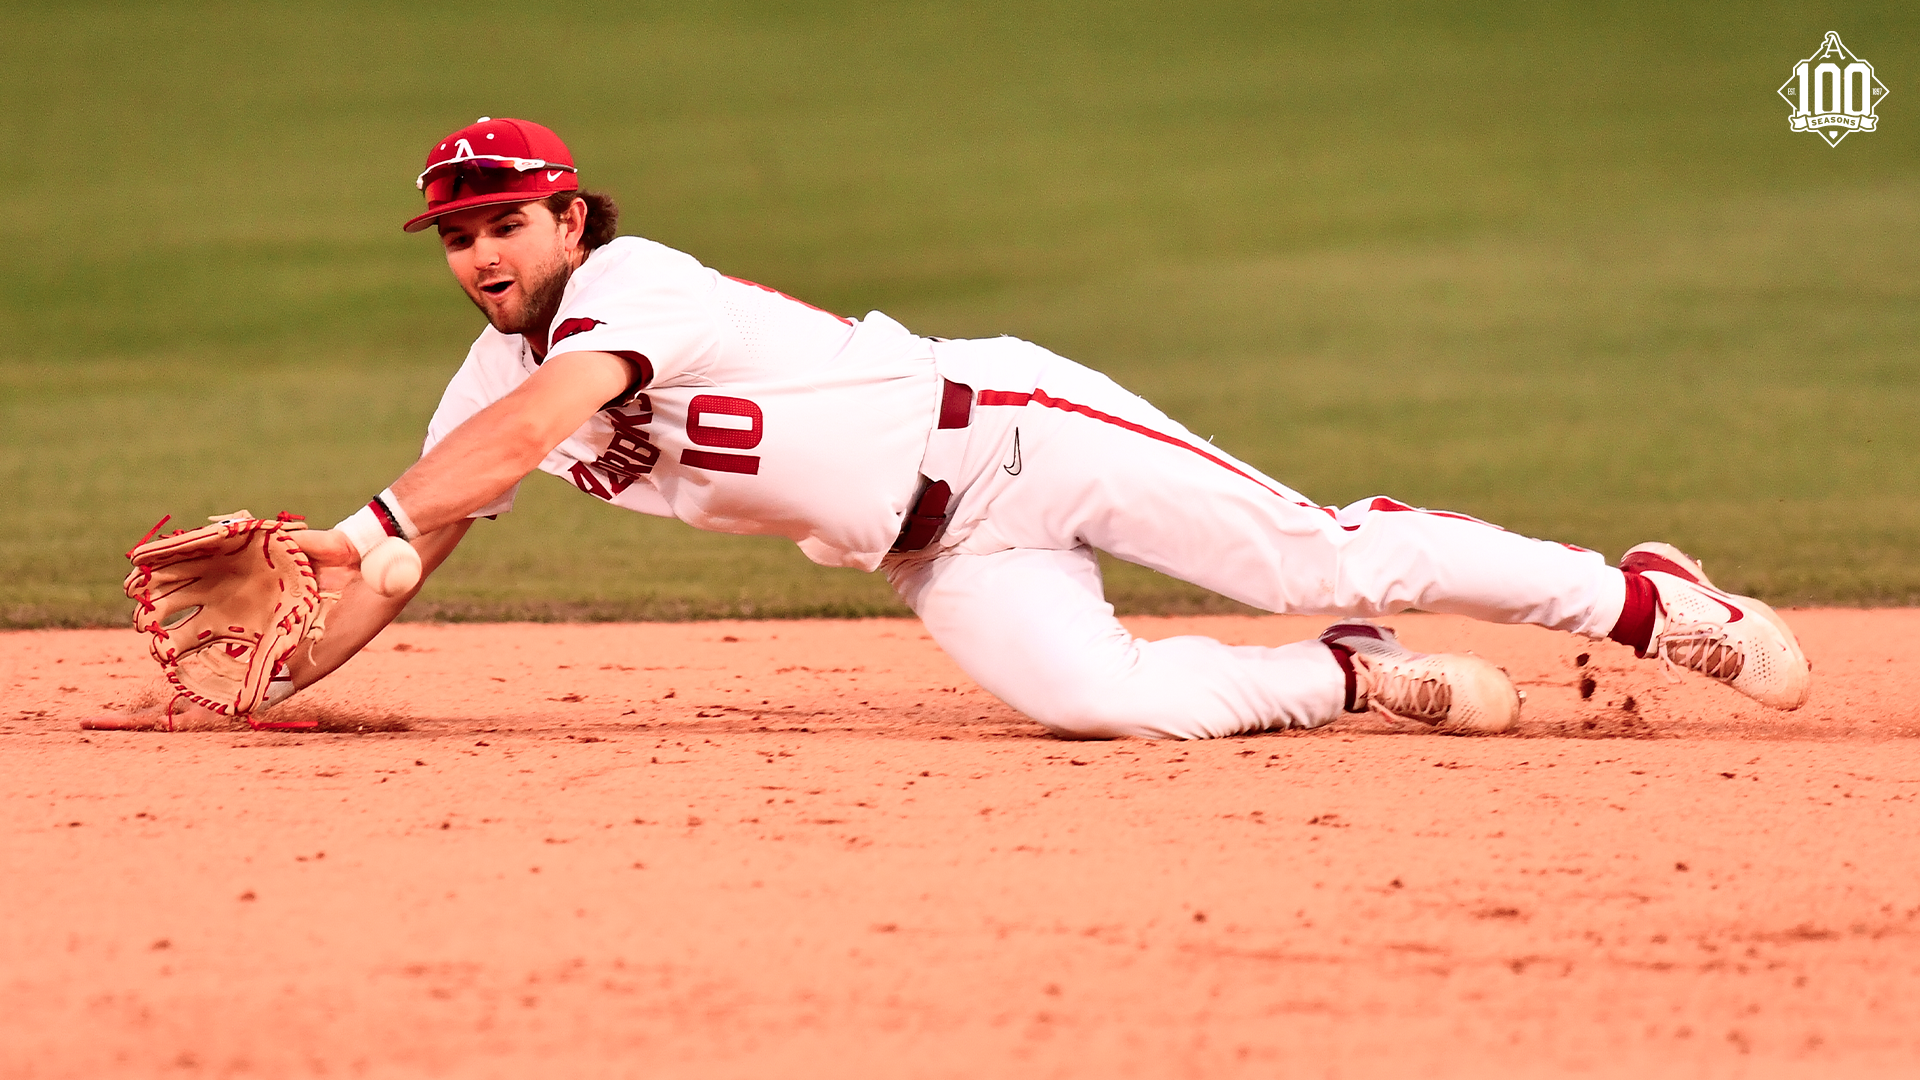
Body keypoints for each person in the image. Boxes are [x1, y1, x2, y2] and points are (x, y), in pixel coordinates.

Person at [170, 116, 1814, 739]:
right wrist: (270, 672)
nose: (482, 257)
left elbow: (530, 433)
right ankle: (1349, 671)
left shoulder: (630, 290)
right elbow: (396, 562)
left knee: (1303, 545)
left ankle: (1655, 602)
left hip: (1025, 431)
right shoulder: (481, 396)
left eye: (507, 224)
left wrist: (369, 523)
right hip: (933, 555)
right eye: (459, 237)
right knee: (1104, 707)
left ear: (571, 217)